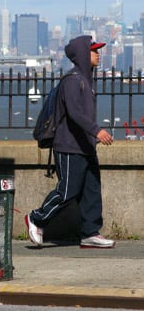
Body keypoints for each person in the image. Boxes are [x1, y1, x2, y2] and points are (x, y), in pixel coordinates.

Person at [25, 35, 115, 249]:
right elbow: (74, 113)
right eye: (94, 50)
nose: (98, 54)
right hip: (68, 147)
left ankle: (90, 233)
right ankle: (36, 218)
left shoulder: (86, 80)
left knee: (91, 191)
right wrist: (97, 130)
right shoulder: (72, 80)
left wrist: (92, 138)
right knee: (67, 191)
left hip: (85, 147)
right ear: (83, 54)